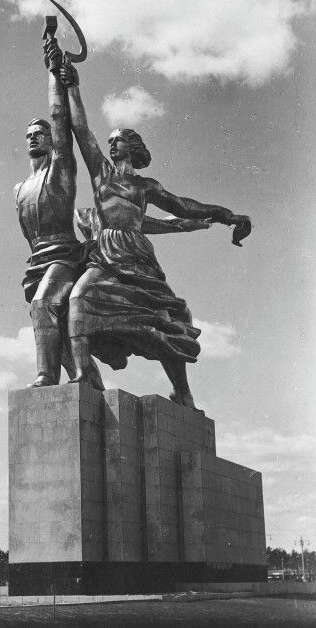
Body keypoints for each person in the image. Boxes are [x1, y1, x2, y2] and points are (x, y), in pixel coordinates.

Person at [47, 45, 250, 411]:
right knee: (78, 300)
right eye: (109, 141)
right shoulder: (101, 174)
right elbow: (80, 128)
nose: (110, 143)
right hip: (105, 255)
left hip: (137, 257)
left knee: (163, 320)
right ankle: (81, 376)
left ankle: (182, 391)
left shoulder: (146, 187)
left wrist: (226, 215)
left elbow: (185, 206)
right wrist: (72, 86)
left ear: (132, 147)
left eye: (118, 139)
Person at [14, 42, 104, 389]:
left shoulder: (60, 171)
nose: (33, 139)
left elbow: (59, 118)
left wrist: (54, 72)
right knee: (61, 340)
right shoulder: (20, 189)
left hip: (64, 257)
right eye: (28, 136)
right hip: (37, 262)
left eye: (40, 134)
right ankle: (90, 381)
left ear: (52, 141)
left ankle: (44, 376)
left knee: (43, 305)